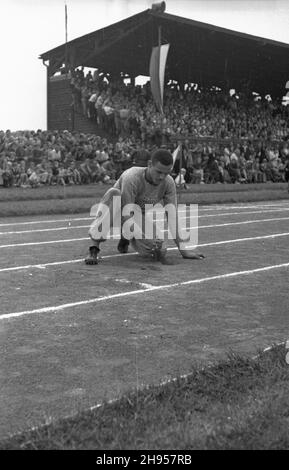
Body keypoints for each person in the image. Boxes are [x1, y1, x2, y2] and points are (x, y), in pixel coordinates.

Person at [85, 148, 205, 265]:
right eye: (159, 172)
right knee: (114, 194)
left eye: (166, 173)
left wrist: (184, 250)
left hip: (136, 215)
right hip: (118, 210)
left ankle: (126, 237)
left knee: (160, 249)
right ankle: (94, 247)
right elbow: (127, 213)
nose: (162, 177)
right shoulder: (131, 177)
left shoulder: (168, 183)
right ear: (149, 165)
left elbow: (172, 216)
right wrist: (141, 236)